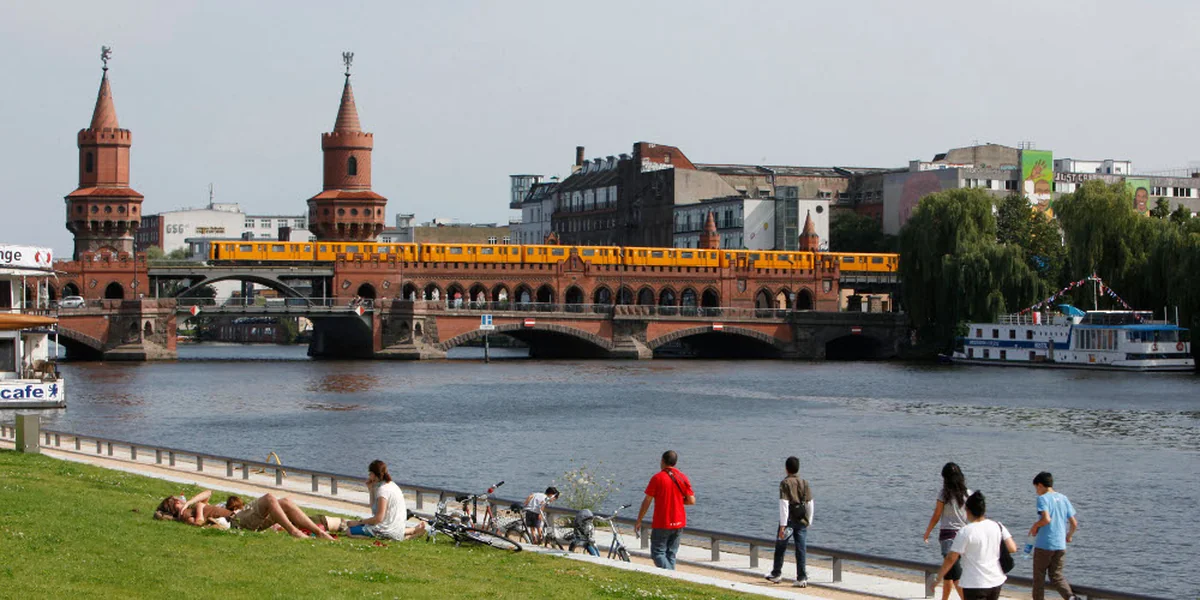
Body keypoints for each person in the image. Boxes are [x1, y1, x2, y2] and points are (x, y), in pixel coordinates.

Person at [156, 490, 335, 541]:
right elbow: (198, 523)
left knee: (286, 501)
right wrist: (199, 508)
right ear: (173, 506)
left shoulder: (187, 507)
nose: (180, 499)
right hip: (238, 521)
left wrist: (190, 502)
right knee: (269, 498)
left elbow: (208, 492)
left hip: (243, 517)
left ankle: (320, 533)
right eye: (176, 500)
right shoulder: (185, 515)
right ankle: (294, 532)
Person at [938, 491, 1016, 600]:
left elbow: (951, 558)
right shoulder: (997, 526)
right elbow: (1012, 548)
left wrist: (938, 578)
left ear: (968, 511)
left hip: (974, 583)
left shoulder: (965, 531)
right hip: (995, 581)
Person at [633, 450, 695, 570]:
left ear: (662, 461)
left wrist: (639, 520)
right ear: (675, 462)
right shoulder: (682, 477)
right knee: (671, 553)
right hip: (679, 521)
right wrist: (676, 500)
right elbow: (691, 500)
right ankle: (672, 576)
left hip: (662, 522)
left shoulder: (657, 478)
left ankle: (671, 575)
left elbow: (647, 501)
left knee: (657, 553)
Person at [923, 462, 971, 600]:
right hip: (964, 535)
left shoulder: (944, 494)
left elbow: (937, 515)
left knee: (955, 573)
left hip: (948, 536)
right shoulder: (969, 493)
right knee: (949, 571)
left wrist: (927, 532)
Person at [344, 460, 424, 541]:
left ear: (374, 474)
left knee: (349, 531)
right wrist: (371, 489)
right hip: (397, 528)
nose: (369, 476)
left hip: (387, 531)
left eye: (370, 474)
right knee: (358, 526)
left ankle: (403, 537)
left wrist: (358, 522)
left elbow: (378, 518)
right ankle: (411, 531)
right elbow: (374, 510)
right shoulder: (391, 485)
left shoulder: (383, 490)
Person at [1028, 472, 1078, 600]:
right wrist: (1069, 535)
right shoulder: (1063, 498)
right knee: (1056, 576)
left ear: (1040, 485)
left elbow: (1046, 519)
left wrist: (1035, 526)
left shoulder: (1042, 498)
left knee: (1039, 577)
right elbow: (1074, 523)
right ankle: (1071, 597)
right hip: (1060, 545)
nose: (1037, 492)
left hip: (1044, 544)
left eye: (1036, 488)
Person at [766, 456, 814, 587]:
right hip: (802, 520)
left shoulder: (785, 483)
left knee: (781, 546)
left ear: (786, 469)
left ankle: (776, 573)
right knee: (801, 549)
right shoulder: (804, 482)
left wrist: (782, 525)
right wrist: (809, 520)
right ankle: (802, 577)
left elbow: (784, 504)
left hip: (789, 521)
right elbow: (810, 503)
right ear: (798, 469)